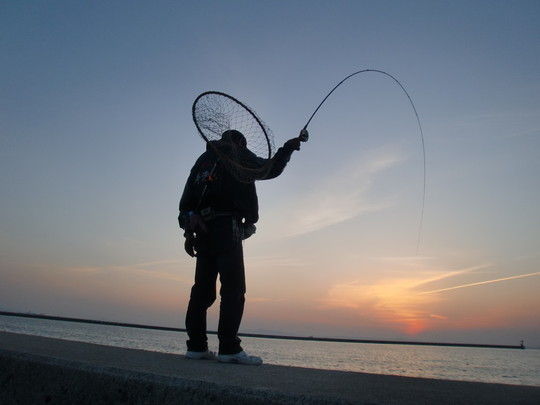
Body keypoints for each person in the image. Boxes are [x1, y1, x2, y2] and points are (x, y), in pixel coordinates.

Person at [178, 129, 307, 365]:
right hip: (227, 228)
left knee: (202, 290)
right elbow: (271, 168)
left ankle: (196, 347)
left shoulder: (203, 160)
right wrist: (289, 147)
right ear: (239, 142)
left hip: (202, 232)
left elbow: (186, 203)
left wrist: (188, 229)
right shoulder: (238, 152)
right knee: (233, 290)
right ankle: (229, 349)